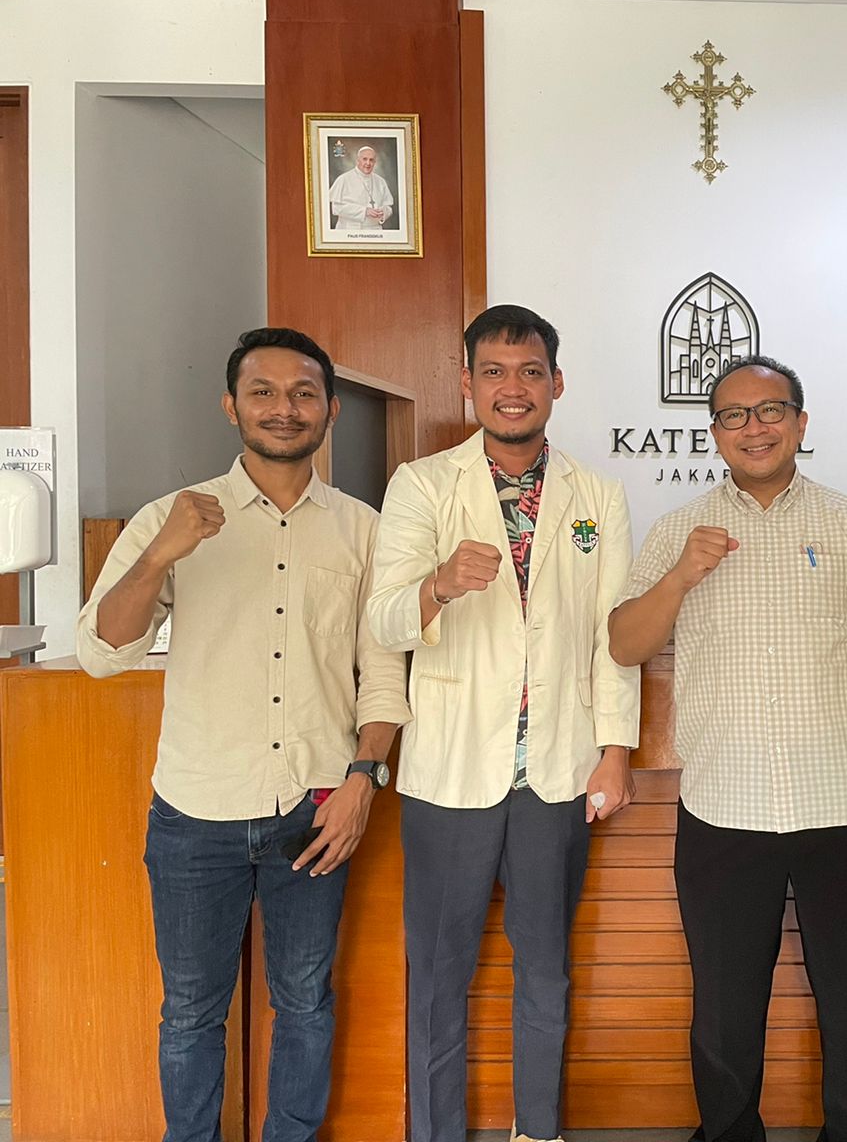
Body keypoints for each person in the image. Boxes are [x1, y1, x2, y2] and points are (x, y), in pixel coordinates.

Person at [76, 327, 410, 1142]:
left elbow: (382, 674)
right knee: (191, 1010)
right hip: (197, 812)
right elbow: (101, 653)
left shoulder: (364, 529)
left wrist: (363, 780)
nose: (283, 408)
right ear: (231, 406)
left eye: (302, 393)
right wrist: (159, 556)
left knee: (305, 1001)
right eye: (263, 391)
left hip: (315, 807)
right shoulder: (172, 516)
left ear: (330, 409)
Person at [610, 355, 847, 1142]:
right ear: (714, 431)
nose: (753, 428)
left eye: (771, 411)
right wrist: (679, 578)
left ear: (800, 422)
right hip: (724, 806)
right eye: (734, 415)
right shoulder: (678, 530)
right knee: (724, 1008)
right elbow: (624, 644)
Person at [365, 303, 640, 1142]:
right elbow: (381, 620)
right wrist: (439, 584)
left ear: (556, 383)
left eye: (529, 372)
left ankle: (538, 1131)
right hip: (450, 770)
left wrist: (616, 751)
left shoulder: (598, 495)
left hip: (556, 769)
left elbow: (613, 637)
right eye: (493, 371)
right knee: (438, 974)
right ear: (467, 382)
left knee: (545, 971)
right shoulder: (422, 485)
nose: (511, 388)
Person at [328, 145, 394, 230]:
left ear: (375, 162)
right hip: (349, 229)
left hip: (374, 231)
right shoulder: (344, 179)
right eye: (364, 159)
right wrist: (365, 211)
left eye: (371, 160)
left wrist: (383, 212)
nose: (368, 163)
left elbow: (388, 207)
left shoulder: (381, 181)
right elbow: (336, 209)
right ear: (358, 161)